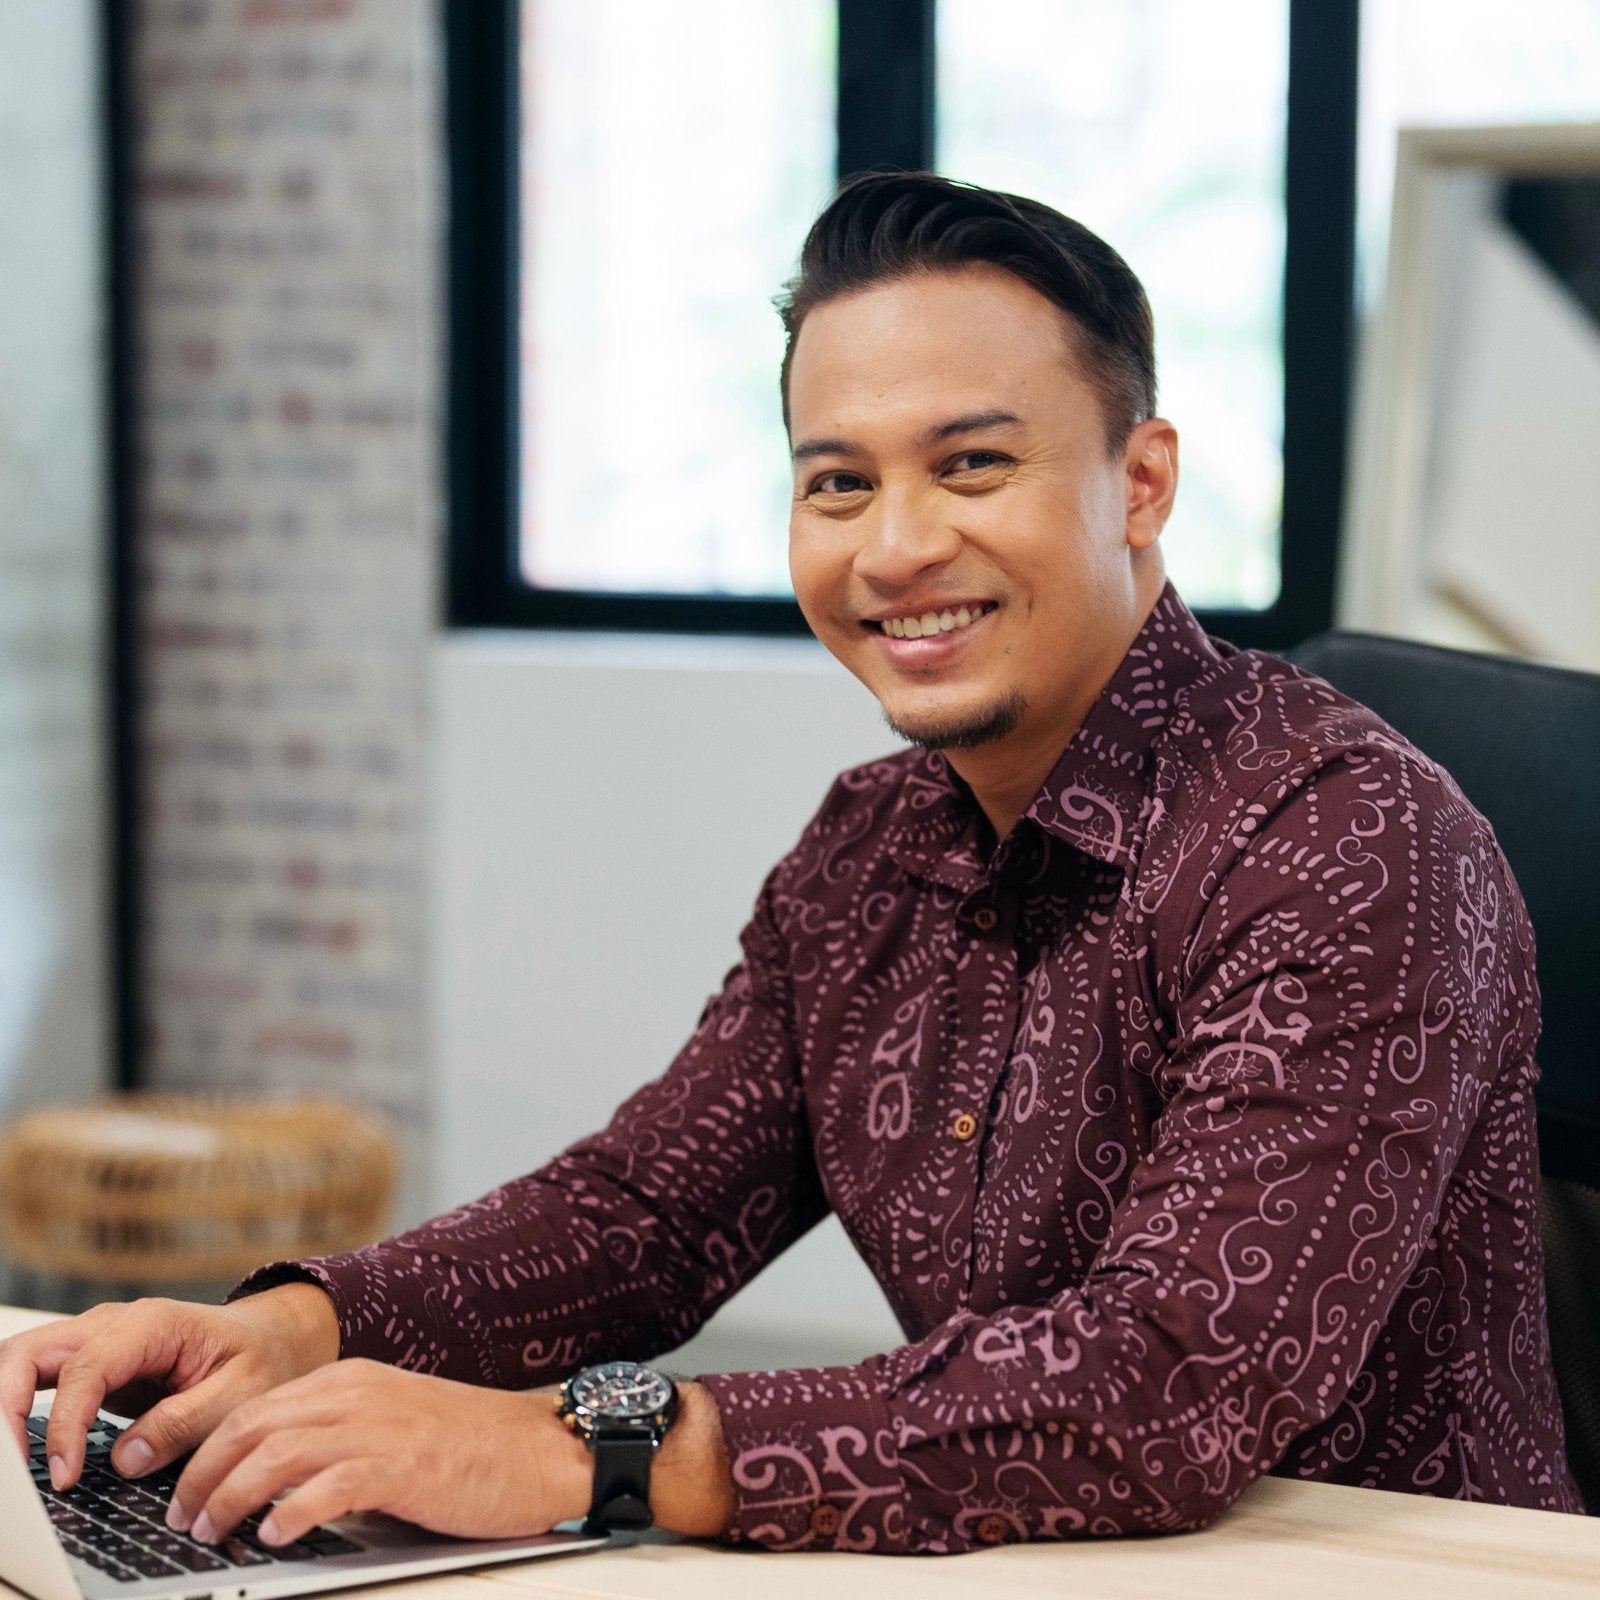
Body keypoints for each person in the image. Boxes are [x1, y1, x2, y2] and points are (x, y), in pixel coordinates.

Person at [1, 172, 1580, 1556]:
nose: (891, 548)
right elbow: (645, 1216)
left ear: (1141, 481)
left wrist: (575, 1446)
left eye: (970, 466)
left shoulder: (1347, 837)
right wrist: (285, 1329)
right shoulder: (866, 847)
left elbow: (1155, 1387)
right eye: (838, 482)